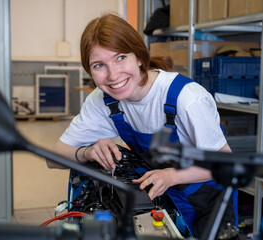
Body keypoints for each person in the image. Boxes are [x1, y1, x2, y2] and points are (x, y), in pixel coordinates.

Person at [46, 13, 234, 238]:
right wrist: (87, 152)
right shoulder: (103, 100)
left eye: (120, 58)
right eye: (99, 65)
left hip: (206, 204)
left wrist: (172, 176)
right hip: (160, 200)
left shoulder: (186, 98)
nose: (113, 75)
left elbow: (227, 165)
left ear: (139, 57)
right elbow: (53, 158)